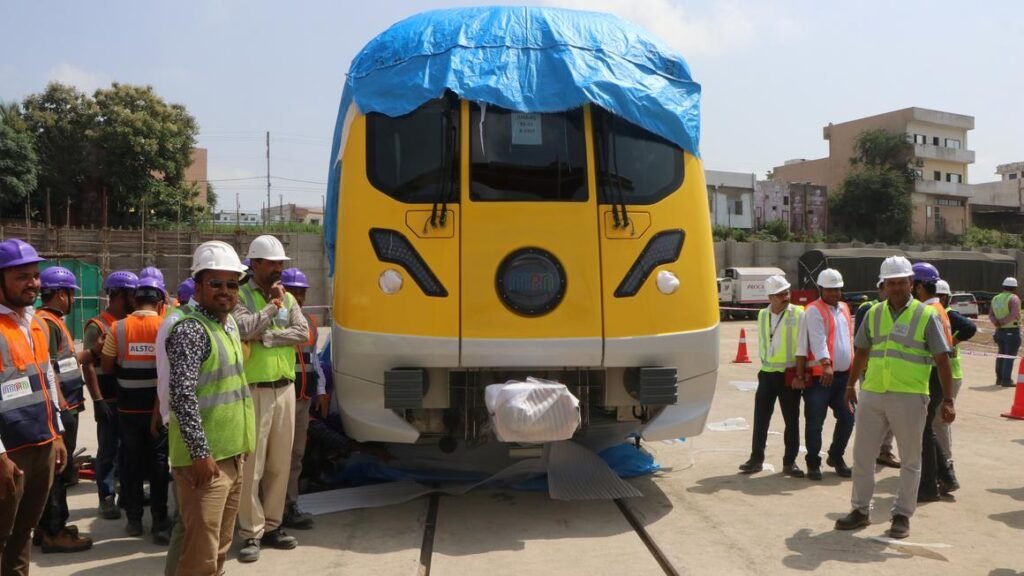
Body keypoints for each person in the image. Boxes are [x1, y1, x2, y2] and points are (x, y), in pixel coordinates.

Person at [835, 256, 955, 540]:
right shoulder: (874, 313)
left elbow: (942, 360)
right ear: (884, 285)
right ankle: (860, 510)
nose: (897, 287)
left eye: (902, 282)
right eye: (892, 283)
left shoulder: (926, 315)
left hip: (910, 395)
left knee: (911, 459)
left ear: (911, 284)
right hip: (873, 393)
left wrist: (948, 399)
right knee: (863, 455)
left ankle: (902, 515)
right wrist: (851, 385)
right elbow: (862, 352)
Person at [166, 241, 255, 576]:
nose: (225, 291)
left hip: (231, 455)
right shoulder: (191, 329)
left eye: (232, 284)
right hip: (206, 463)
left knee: (218, 548)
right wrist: (200, 454)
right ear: (199, 285)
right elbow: (183, 395)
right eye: (216, 283)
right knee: (199, 555)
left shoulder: (225, 325)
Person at [232, 236, 309, 562]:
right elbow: (243, 327)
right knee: (252, 468)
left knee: (280, 462)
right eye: (273, 264)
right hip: (254, 390)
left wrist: (268, 336)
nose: (279, 269)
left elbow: (303, 332)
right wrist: (273, 308)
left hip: (284, 390)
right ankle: (251, 532)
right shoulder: (240, 296)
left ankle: (274, 525)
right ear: (255, 265)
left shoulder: (289, 297)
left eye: (282, 264)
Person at [0, 239, 68, 575]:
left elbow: (48, 380)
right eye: (22, 276)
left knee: (24, 534)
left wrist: (57, 432)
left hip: (41, 444)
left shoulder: (35, 323)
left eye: (35, 275)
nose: (33, 283)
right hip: (9, 453)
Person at [102, 277, 171, 543]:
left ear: (136, 299)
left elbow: (107, 367)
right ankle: (160, 522)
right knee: (159, 464)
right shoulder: (166, 326)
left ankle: (133, 520)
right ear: (159, 301)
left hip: (128, 409)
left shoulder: (118, 328)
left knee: (130, 463)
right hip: (157, 409)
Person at [34, 267, 95, 553]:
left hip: (66, 403)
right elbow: (47, 370)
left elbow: (65, 364)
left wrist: (90, 354)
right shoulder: (46, 324)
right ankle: (53, 530)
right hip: (62, 407)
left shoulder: (53, 322)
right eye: (71, 294)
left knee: (57, 469)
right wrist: (61, 411)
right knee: (58, 471)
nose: (72, 300)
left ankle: (47, 526)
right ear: (61, 294)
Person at [83, 270, 137, 520]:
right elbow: (88, 366)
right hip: (108, 398)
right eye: (132, 294)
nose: (136, 299)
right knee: (107, 450)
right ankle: (106, 497)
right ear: (120, 295)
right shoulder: (97, 325)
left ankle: (126, 492)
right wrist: (97, 400)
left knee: (127, 449)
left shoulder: (129, 323)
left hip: (126, 397)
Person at [794, 268, 854, 481]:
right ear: (820, 289)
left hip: (843, 377)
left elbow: (847, 339)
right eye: (830, 290)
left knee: (848, 417)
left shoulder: (845, 308)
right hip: (821, 377)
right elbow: (818, 339)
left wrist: (854, 370)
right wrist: (826, 363)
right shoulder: (812, 310)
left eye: (837, 289)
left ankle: (836, 457)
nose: (834, 294)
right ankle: (813, 463)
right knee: (815, 422)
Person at [280, 268, 329, 529]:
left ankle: (290, 505)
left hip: (303, 399)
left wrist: (320, 392)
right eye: (293, 291)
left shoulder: (310, 324)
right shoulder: (276, 320)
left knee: (296, 454)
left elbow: (315, 361)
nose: (298, 297)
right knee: (275, 457)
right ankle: (271, 509)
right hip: (280, 397)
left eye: (301, 292)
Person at [910, 262, 955, 503]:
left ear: (918, 287)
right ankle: (946, 476)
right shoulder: (938, 307)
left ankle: (928, 486)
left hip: (930, 377)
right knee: (926, 430)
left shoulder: (928, 312)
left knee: (922, 434)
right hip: (935, 377)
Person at [935, 279, 975, 494]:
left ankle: (945, 469)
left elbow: (970, 327)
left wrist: (952, 343)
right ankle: (942, 464)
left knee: (938, 423)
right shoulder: (941, 312)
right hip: (947, 374)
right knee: (940, 423)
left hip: (948, 375)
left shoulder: (946, 313)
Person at [855, 280, 900, 469]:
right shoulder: (868, 309)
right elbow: (860, 342)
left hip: (893, 372)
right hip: (871, 371)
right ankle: (868, 451)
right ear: (881, 289)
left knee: (892, 415)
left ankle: (884, 450)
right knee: (870, 415)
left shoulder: (900, 310)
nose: (892, 291)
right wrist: (861, 367)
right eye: (888, 287)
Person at [990, 277, 1020, 387]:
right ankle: (1006, 380)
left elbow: (991, 315)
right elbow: (1015, 314)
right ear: (1014, 288)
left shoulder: (995, 298)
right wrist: (1002, 322)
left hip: (999, 331)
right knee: (1009, 356)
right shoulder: (1014, 298)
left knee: (1001, 355)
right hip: (1011, 331)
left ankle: (999, 378)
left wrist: (997, 323)